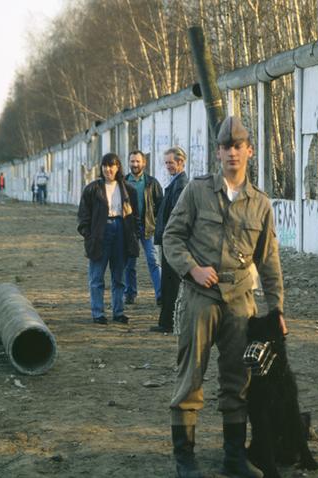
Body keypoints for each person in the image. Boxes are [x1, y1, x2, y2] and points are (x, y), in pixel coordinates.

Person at [162, 116, 286, 478]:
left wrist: (277, 308)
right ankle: (185, 459)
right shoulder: (197, 191)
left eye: (238, 146)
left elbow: (269, 259)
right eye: (226, 146)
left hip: (240, 301)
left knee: (239, 380)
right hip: (200, 297)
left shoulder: (260, 203)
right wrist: (192, 269)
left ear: (249, 151)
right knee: (190, 377)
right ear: (217, 152)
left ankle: (234, 456)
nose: (232, 152)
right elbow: (171, 237)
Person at [77, 153, 140, 325]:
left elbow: (135, 216)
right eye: (105, 166)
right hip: (100, 233)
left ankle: (118, 312)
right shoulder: (92, 189)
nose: (108, 169)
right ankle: (98, 313)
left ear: (118, 167)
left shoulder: (128, 190)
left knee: (119, 276)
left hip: (121, 232)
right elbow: (83, 215)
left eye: (111, 166)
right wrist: (88, 235)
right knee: (97, 276)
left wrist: (134, 234)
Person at [151, 146, 188, 333]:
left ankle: (168, 323)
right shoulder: (176, 182)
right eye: (166, 163)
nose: (168, 166)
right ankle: (166, 321)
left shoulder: (180, 184)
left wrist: (169, 237)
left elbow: (176, 215)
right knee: (168, 281)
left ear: (181, 162)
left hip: (172, 241)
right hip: (170, 239)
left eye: (171, 163)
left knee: (170, 282)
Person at [123, 150, 163, 306]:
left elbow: (160, 205)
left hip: (148, 228)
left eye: (137, 161)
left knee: (154, 261)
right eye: (132, 161)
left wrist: (156, 223)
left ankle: (161, 295)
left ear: (144, 163)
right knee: (129, 264)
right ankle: (129, 294)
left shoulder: (152, 183)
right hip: (129, 229)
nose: (135, 164)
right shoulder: (122, 182)